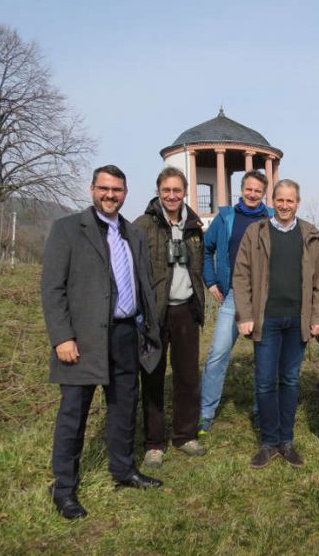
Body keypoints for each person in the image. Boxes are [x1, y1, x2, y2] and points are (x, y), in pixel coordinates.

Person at [41, 165, 162, 520]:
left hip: (126, 333)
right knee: (73, 413)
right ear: (93, 189)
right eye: (104, 189)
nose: (111, 195)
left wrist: (146, 326)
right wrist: (62, 336)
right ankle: (64, 488)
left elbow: (142, 281)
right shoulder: (68, 229)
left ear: (126, 193)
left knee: (125, 406)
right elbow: (52, 288)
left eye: (117, 190)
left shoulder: (132, 233)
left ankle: (123, 470)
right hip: (84, 338)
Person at [233, 179, 319, 469]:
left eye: (290, 200)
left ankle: (286, 441)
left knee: (289, 380)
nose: (285, 205)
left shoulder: (309, 234)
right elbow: (241, 275)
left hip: (297, 321)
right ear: (272, 201)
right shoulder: (256, 232)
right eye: (280, 200)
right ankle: (268, 442)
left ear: (297, 203)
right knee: (264, 382)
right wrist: (246, 314)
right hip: (267, 319)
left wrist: (318, 318)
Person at [134, 167, 205, 467]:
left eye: (177, 190)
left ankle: (185, 434)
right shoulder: (142, 226)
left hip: (186, 309)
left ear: (185, 192)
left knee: (187, 376)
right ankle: (154, 442)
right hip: (155, 312)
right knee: (152, 375)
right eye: (167, 190)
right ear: (159, 191)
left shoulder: (194, 227)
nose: (172, 195)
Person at [198, 170, 272, 436]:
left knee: (264, 357)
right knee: (217, 353)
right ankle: (205, 413)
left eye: (258, 191)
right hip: (232, 295)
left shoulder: (271, 218)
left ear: (264, 193)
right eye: (248, 189)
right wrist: (211, 281)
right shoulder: (226, 218)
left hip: (265, 297)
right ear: (241, 190)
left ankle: (260, 411)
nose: (252, 194)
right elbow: (207, 249)